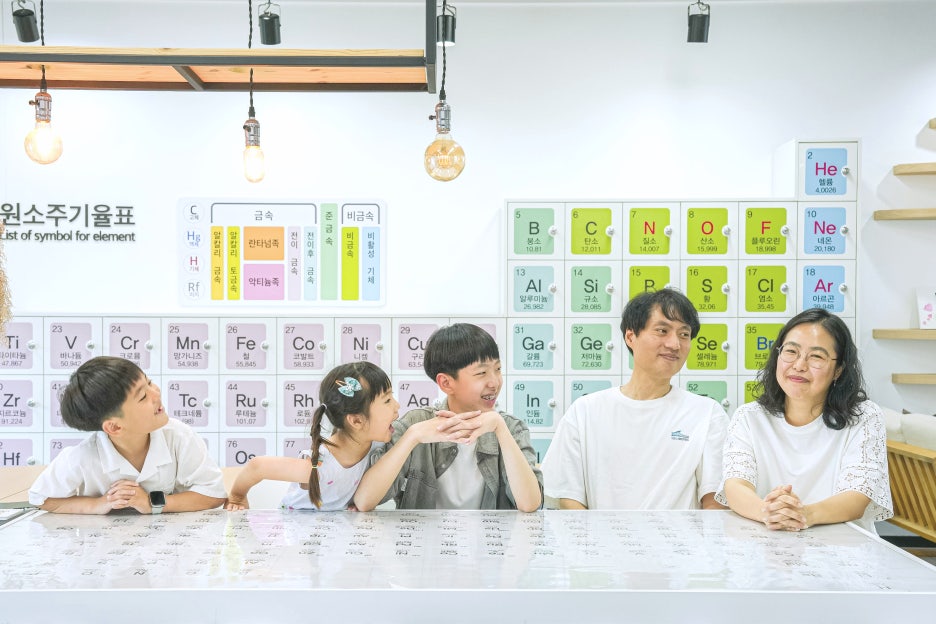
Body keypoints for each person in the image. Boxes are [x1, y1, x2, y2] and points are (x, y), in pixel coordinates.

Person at [541, 288, 728, 510]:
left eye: (684, 334)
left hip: (682, 535)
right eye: (662, 331)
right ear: (631, 337)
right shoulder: (585, 411)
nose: (674, 344)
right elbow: (568, 497)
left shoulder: (707, 414)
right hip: (598, 534)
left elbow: (714, 503)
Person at [716, 308, 892, 533]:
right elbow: (735, 485)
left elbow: (857, 497)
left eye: (816, 356)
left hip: (843, 545)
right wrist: (767, 512)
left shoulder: (864, 417)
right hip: (768, 542)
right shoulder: (749, 417)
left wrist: (805, 514)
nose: (799, 365)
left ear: (838, 370)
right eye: (791, 351)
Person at [353, 323, 543, 512]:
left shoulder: (511, 427)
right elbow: (364, 501)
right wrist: (412, 437)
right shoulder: (415, 424)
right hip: (424, 533)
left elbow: (530, 504)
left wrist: (500, 429)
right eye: (482, 373)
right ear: (446, 383)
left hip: (489, 533)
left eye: (498, 369)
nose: (494, 382)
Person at [29, 356, 226, 514]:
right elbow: (41, 498)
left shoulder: (178, 436)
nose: (156, 393)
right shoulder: (83, 456)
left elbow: (214, 494)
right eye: (143, 396)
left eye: (149, 382)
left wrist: (152, 503)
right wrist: (99, 504)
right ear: (114, 427)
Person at [225, 361, 399, 511]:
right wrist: (237, 497)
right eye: (387, 400)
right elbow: (257, 466)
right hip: (295, 532)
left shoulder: (378, 447)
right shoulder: (318, 465)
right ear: (356, 421)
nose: (397, 405)